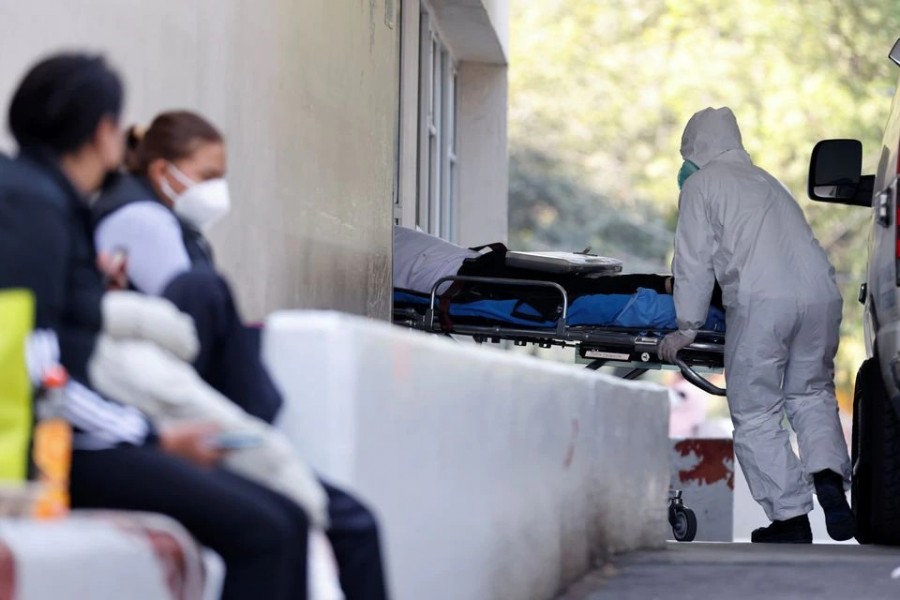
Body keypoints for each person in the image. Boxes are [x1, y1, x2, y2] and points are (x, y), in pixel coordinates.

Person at [0, 53, 311, 599]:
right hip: (60, 449)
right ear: (102, 130)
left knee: (281, 518)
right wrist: (150, 434)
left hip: (78, 434)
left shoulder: (41, 199)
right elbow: (33, 366)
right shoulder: (35, 208)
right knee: (268, 530)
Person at [92, 110, 388, 600]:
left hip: (178, 406)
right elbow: (182, 329)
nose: (217, 191)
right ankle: (257, 422)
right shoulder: (141, 219)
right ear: (163, 172)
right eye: (208, 177)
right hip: (175, 408)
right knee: (341, 524)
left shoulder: (151, 218)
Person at [658, 106, 853, 543]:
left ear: (695, 147)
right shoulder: (768, 181)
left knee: (756, 411)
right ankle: (827, 481)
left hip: (764, 303)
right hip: (821, 296)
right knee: (811, 394)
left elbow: (692, 263)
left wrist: (686, 328)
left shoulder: (702, 185)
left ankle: (790, 519)